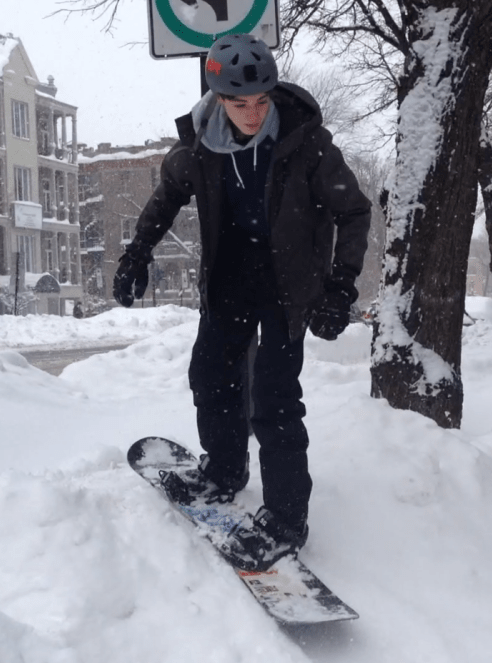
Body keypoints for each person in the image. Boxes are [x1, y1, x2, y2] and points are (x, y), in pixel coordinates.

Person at [112, 33, 371, 571]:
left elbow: (354, 212)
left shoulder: (308, 144)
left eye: (261, 101)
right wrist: (137, 253)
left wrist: (340, 286)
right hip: (230, 277)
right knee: (211, 377)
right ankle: (225, 470)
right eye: (240, 103)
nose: (253, 114)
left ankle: (285, 519)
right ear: (219, 98)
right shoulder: (200, 145)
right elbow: (165, 200)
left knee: (273, 400)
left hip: (287, 283)